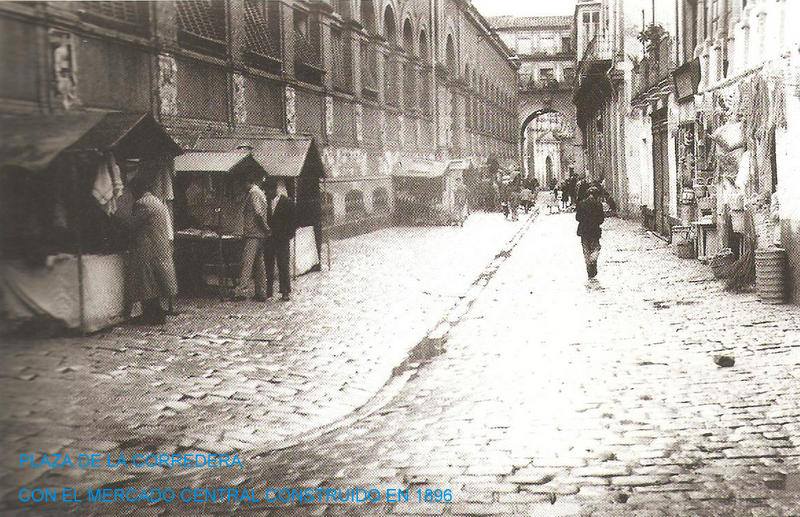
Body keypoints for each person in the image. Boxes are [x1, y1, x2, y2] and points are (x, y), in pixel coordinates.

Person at [128, 175, 178, 324]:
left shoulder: (142, 203)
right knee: (155, 281)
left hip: (148, 247)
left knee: (147, 282)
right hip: (159, 245)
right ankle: (156, 313)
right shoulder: (156, 201)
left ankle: (151, 315)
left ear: (138, 189)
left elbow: (132, 225)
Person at [234, 170, 269, 301]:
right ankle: (261, 291)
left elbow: (258, 213)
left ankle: (242, 291)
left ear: (247, 182)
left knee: (247, 263)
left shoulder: (253, 193)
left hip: (253, 233)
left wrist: (265, 228)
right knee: (259, 264)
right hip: (258, 234)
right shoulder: (259, 192)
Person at [264, 179, 295, 301]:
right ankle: (269, 290)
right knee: (268, 264)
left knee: (283, 265)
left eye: (268, 191)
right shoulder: (266, 203)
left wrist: (289, 235)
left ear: (274, 190)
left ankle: (285, 291)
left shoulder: (287, 202)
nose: (267, 194)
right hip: (270, 239)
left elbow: (293, 220)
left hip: (282, 239)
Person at [576, 186, 605, 279]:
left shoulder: (581, 204)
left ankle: (590, 270)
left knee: (586, 250)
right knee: (596, 248)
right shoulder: (599, 205)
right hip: (594, 230)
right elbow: (601, 220)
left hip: (584, 230)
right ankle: (593, 260)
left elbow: (577, 218)